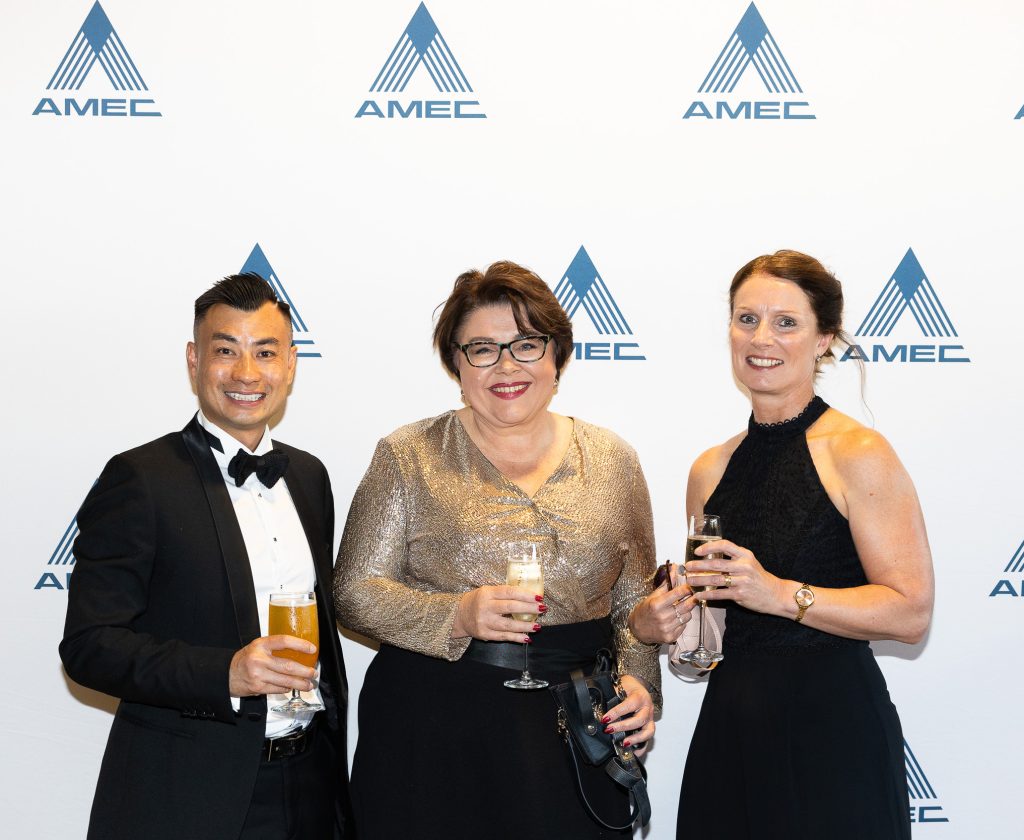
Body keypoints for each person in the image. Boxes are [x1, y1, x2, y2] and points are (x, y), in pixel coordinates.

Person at [334, 261, 659, 838]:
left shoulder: (613, 460)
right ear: (455, 365)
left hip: (573, 727)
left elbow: (633, 606)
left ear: (557, 355)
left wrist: (639, 685)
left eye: (526, 344)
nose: (506, 366)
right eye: (482, 349)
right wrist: (455, 615)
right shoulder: (408, 455)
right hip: (432, 730)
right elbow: (354, 592)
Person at [636, 250, 934, 839]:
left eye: (786, 322)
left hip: (834, 730)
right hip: (731, 729)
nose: (761, 338)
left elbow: (910, 613)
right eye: (746, 319)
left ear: (824, 340)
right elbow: (709, 638)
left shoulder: (858, 453)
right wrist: (665, 620)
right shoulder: (708, 468)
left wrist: (780, 594)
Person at [60, 274, 351, 840]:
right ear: (194, 361)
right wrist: (225, 672)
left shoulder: (310, 476)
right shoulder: (139, 479)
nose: (247, 373)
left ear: (290, 364)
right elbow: (89, 647)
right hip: (191, 798)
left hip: (309, 784)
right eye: (226, 351)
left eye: (265, 352)